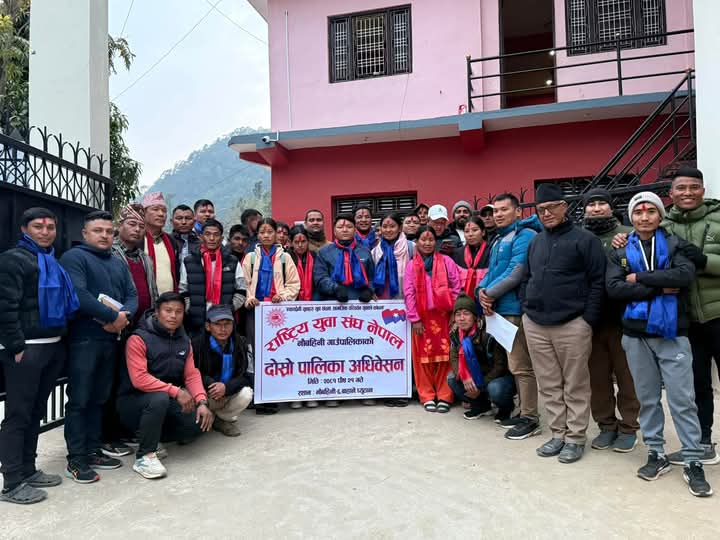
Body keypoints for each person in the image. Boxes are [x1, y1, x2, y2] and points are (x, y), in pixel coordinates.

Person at [606, 191, 712, 497]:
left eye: (650, 211)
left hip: (672, 332)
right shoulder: (620, 248)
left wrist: (637, 277)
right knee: (647, 398)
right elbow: (614, 288)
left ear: (659, 215)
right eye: (638, 212)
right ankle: (656, 452)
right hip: (635, 334)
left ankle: (693, 459)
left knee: (682, 399)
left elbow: (683, 276)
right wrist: (657, 286)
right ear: (631, 217)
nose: (644, 217)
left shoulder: (675, 243)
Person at [521, 183, 605, 464]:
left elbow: (598, 282)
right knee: (548, 384)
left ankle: (576, 437)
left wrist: (588, 320)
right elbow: (526, 278)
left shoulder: (585, 240)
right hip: (536, 323)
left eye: (551, 208)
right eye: (541, 209)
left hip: (573, 323)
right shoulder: (535, 242)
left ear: (564, 207)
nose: (546, 214)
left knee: (575, 383)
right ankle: (558, 434)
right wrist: (526, 308)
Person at [0, 208, 79, 505]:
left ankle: (28, 470)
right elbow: (5, 307)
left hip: (51, 345)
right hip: (27, 350)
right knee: (18, 415)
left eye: (50, 227)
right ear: (24, 229)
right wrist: (16, 346)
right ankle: (11, 482)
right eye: (38, 227)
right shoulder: (12, 260)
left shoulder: (51, 261)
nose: (45, 232)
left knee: (35, 412)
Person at [60, 210, 138, 483]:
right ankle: (76, 459)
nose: (104, 236)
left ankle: (93, 450)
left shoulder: (117, 262)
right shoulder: (74, 258)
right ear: (85, 234)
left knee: (100, 398)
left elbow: (132, 295)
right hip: (84, 339)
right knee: (80, 399)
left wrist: (124, 317)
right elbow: (79, 295)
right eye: (98, 231)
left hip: (111, 339)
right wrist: (112, 318)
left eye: (108, 231)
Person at [117, 292, 213, 480]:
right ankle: (144, 456)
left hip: (165, 400)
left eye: (178, 311)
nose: (173, 316)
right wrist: (176, 391)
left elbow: (191, 374)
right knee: (159, 398)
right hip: (133, 402)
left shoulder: (184, 340)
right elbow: (139, 379)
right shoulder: (138, 338)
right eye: (168, 310)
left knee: (195, 424)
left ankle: (153, 437)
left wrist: (202, 401)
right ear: (157, 312)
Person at [477, 193, 543, 433]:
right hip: (499, 310)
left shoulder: (525, 235)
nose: (498, 214)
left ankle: (530, 417)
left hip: (515, 310)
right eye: (496, 211)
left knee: (521, 366)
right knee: (514, 365)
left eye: (504, 209)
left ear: (518, 211)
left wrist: (489, 294)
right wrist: (480, 291)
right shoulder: (498, 238)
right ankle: (523, 411)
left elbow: (516, 272)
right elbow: (492, 271)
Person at [582, 189, 640, 453]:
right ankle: (606, 425)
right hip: (591, 321)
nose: (596, 208)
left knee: (627, 377)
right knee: (597, 379)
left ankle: (629, 427)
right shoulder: (580, 238)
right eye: (591, 204)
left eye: (601, 203)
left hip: (623, 319)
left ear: (611, 207)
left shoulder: (629, 234)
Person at [243, 218, 301, 413]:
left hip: (279, 311)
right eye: (262, 232)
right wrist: (250, 298)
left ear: (277, 234)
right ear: (257, 235)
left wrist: (282, 296)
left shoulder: (285, 258)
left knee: (279, 351)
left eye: (270, 232)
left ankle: (278, 393)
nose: (266, 235)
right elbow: (244, 283)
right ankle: (260, 397)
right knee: (256, 353)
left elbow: (294, 284)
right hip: (256, 311)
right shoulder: (250, 257)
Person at [404, 226, 461, 413]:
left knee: (446, 357)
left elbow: (456, 287)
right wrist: (415, 318)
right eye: (423, 240)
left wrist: (454, 313)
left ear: (436, 242)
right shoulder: (411, 265)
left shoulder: (447, 262)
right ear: (417, 242)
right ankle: (427, 395)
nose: (427, 243)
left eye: (430, 240)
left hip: (444, 316)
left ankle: (445, 395)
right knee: (423, 359)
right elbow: (409, 293)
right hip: (422, 318)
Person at [370, 213, 414, 408]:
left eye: (392, 226)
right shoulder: (375, 251)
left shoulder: (411, 248)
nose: (388, 230)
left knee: (405, 348)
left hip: (405, 305)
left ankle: (405, 388)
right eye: (385, 226)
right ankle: (386, 388)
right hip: (383, 307)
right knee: (386, 348)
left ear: (400, 228)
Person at [448, 294, 514, 421]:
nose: (462, 318)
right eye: (458, 314)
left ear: (474, 316)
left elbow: (500, 366)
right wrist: (463, 377)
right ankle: (482, 406)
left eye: (466, 313)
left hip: (496, 376)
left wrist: (480, 385)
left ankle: (506, 408)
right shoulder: (455, 333)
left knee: (495, 388)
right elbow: (454, 356)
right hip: (475, 376)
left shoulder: (488, 333)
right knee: (452, 378)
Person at [192, 305, 253, 436]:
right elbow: (192, 374)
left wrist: (226, 387)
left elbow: (247, 376)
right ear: (208, 326)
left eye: (227, 324)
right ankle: (207, 417)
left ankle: (220, 419)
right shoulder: (197, 344)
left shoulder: (241, 343)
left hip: (228, 392)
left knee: (247, 393)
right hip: (206, 394)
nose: (223, 329)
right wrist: (212, 385)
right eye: (217, 324)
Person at [179, 218, 245, 336]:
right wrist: (191, 309)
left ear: (222, 238)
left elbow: (241, 289)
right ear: (201, 237)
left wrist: (229, 309)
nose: (212, 238)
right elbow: (183, 290)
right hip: (196, 320)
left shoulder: (232, 261)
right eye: (207, 234)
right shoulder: (189, 261)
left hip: (224, 320)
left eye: (216, 235)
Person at [112, 205, 159, 325]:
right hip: (118, 321)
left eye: (142, 226)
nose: (137, 229)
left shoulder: (146, 258)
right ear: (119, 226)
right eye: (132, 224)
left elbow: (153, 291)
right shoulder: (110, 253)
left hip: (145, 323)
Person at [314, 214, 375, 304]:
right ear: (334, 231)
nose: (345, 230)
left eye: (349, 227)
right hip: (333, 304)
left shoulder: (365, 252)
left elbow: (372, 277)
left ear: (355, 230)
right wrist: (335, 288)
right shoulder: (324, 252)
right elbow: (320, 278)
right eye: (340, 227)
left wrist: (369, 290)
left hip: (360, 304)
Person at [141, 192, 177, 295]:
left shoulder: (170, 241)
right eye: (155, 209)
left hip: (169, 299)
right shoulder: (138, 239)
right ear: (143, 213)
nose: (161, 214)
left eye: (164, 210)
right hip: (145, 298)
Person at [453, 215, 489, 297]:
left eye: (474, 230)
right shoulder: (457, 253)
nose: (470, 234)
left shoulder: (492, 251)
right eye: (467, 231)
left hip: (485, 297)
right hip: (463, 299)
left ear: (483, 232)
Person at [288, 225, 317, 302]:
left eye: (303, 241)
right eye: (296, 242)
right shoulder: (286, 257)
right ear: (291, 243)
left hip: (313, 299)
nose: (300, 245)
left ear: (308, 241)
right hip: (291, 299)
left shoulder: (314, 256)